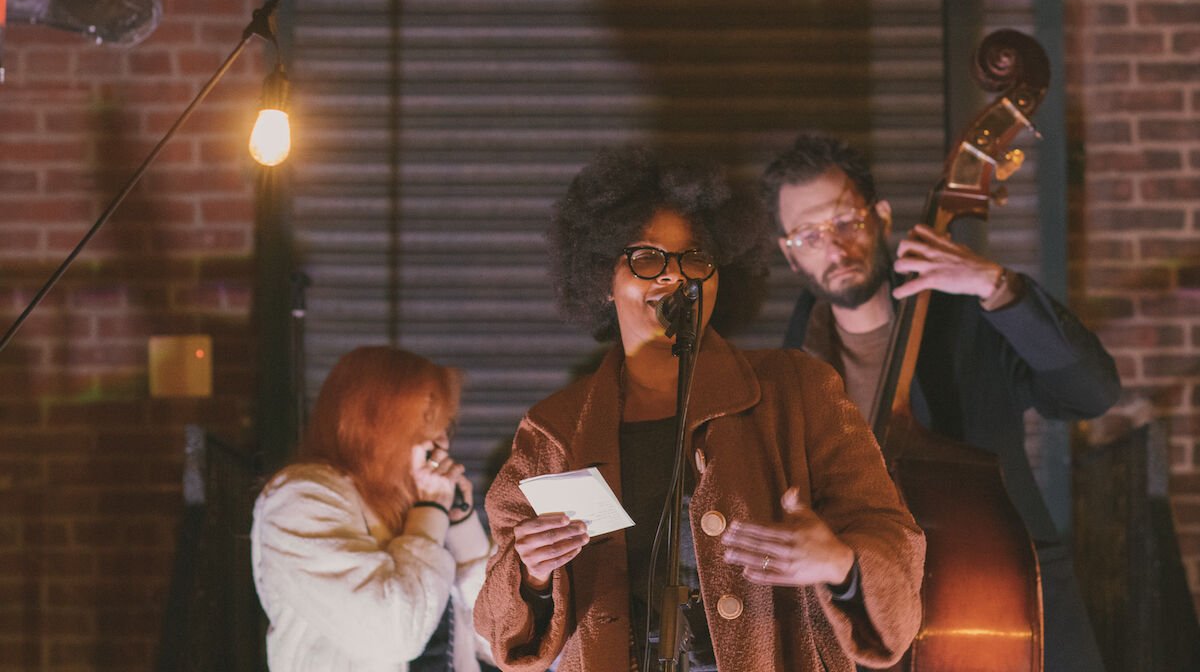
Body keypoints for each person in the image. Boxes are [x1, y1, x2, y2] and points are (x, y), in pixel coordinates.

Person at [474, 144, 924, 671]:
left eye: (694, 258)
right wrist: (529, 573)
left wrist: (842, 563)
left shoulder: (799, 389)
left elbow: (894, 538)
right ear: (602, 281)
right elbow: (499, 627)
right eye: (646, 257)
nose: (674, 276)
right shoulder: (552, 430)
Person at [760, 133, 1121, 672]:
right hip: (872, 638)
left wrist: (998, 287)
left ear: (881, 217)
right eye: (808, 236)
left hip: (1010, 607)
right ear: (791, 256)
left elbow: (1091, 393)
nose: (834, 248)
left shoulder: (968, 320)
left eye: (846, 222)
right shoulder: (790, 374)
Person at [251, 346, 496, 671]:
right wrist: (430, 511)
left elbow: (500, 642)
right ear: (375, 422)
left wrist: (461, 522)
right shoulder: (301, 499)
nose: (441, 444)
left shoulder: (419, 499)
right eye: (424, 425)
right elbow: (393, 635)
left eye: (443, 428)